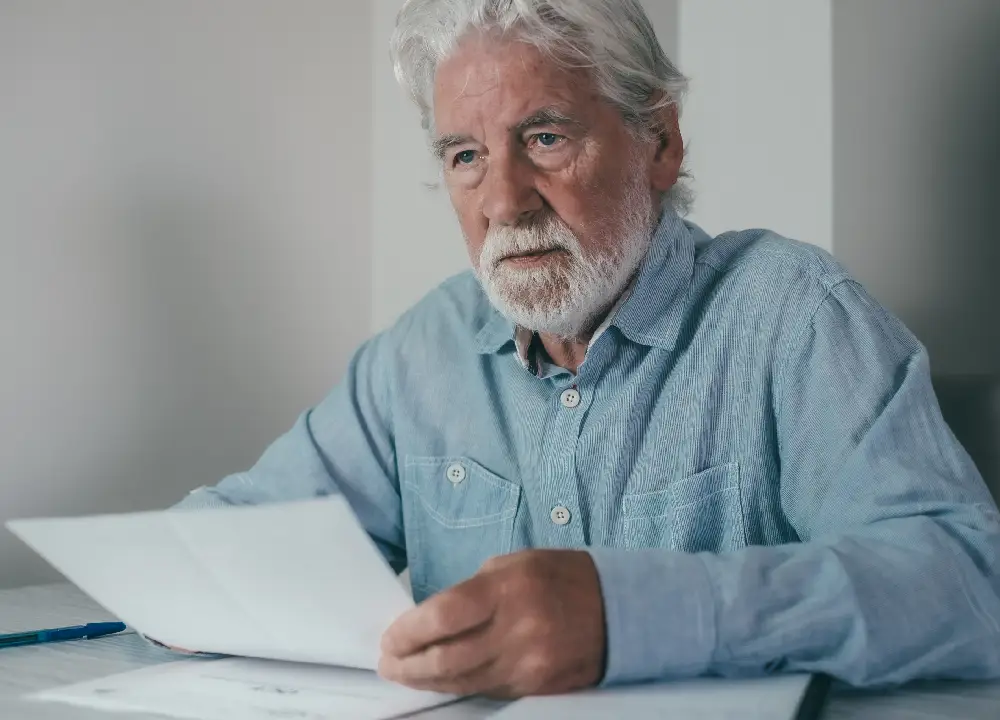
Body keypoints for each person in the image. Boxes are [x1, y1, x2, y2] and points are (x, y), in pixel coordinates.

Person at [173, 0, 1000, 698]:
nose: (503, 200)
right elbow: (232, 539)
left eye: (544, 138)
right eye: (466, 156)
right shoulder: (418, 357)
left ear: (661, 144)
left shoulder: (794, 315)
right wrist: (173, 586)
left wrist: (633, 614)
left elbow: (969, 582)